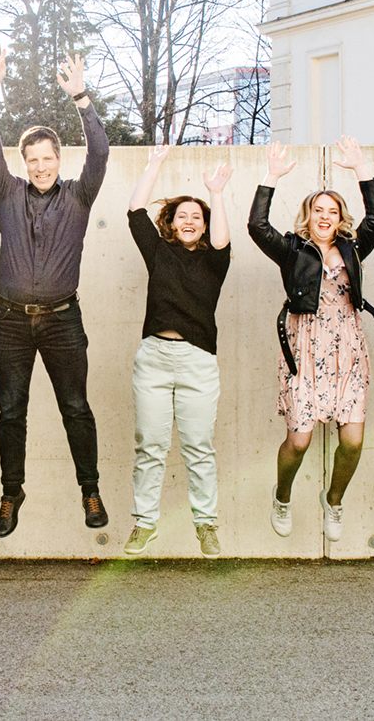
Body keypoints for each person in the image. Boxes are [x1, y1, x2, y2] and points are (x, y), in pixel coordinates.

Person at [0, 44, 112, 537]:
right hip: (10, 322)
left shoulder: (79, 195)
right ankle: (11, 493)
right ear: (24, 163)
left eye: (47, 158)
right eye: (32, 160)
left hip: (62, 321)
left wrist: (81, 98)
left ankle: (90, 489)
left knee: (75, 407)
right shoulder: (6, 191)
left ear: (58, 159)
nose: (39, 166)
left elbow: (101, 152)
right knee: (11, 412)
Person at [250, 137, 374, 543]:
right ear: (307, 216)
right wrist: (271, 176)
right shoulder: (292, 250)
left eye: (332, 211)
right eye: (318, 210)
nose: (325, 217)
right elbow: (257, 227)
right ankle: (282, 496)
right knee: (299, 441)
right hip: (304, 351)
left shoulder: (353, 248)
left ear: (340, 218)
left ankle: (335, 500)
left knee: (353, 440)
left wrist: (361, 169)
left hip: (348, 349)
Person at [122, 147, 233, 558]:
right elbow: (135, 213)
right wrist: (154, 165)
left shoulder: (214, 260)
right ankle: (144, 523)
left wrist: (215, 193)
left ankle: (206, 524)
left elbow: (222, 240)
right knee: (150, 445)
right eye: (182, 216)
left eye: (196, 217)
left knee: (198, 447)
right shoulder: (159, 253)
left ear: (204, 225)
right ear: (171, 223)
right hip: (154, 359)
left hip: (197, 362)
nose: (189, 221)